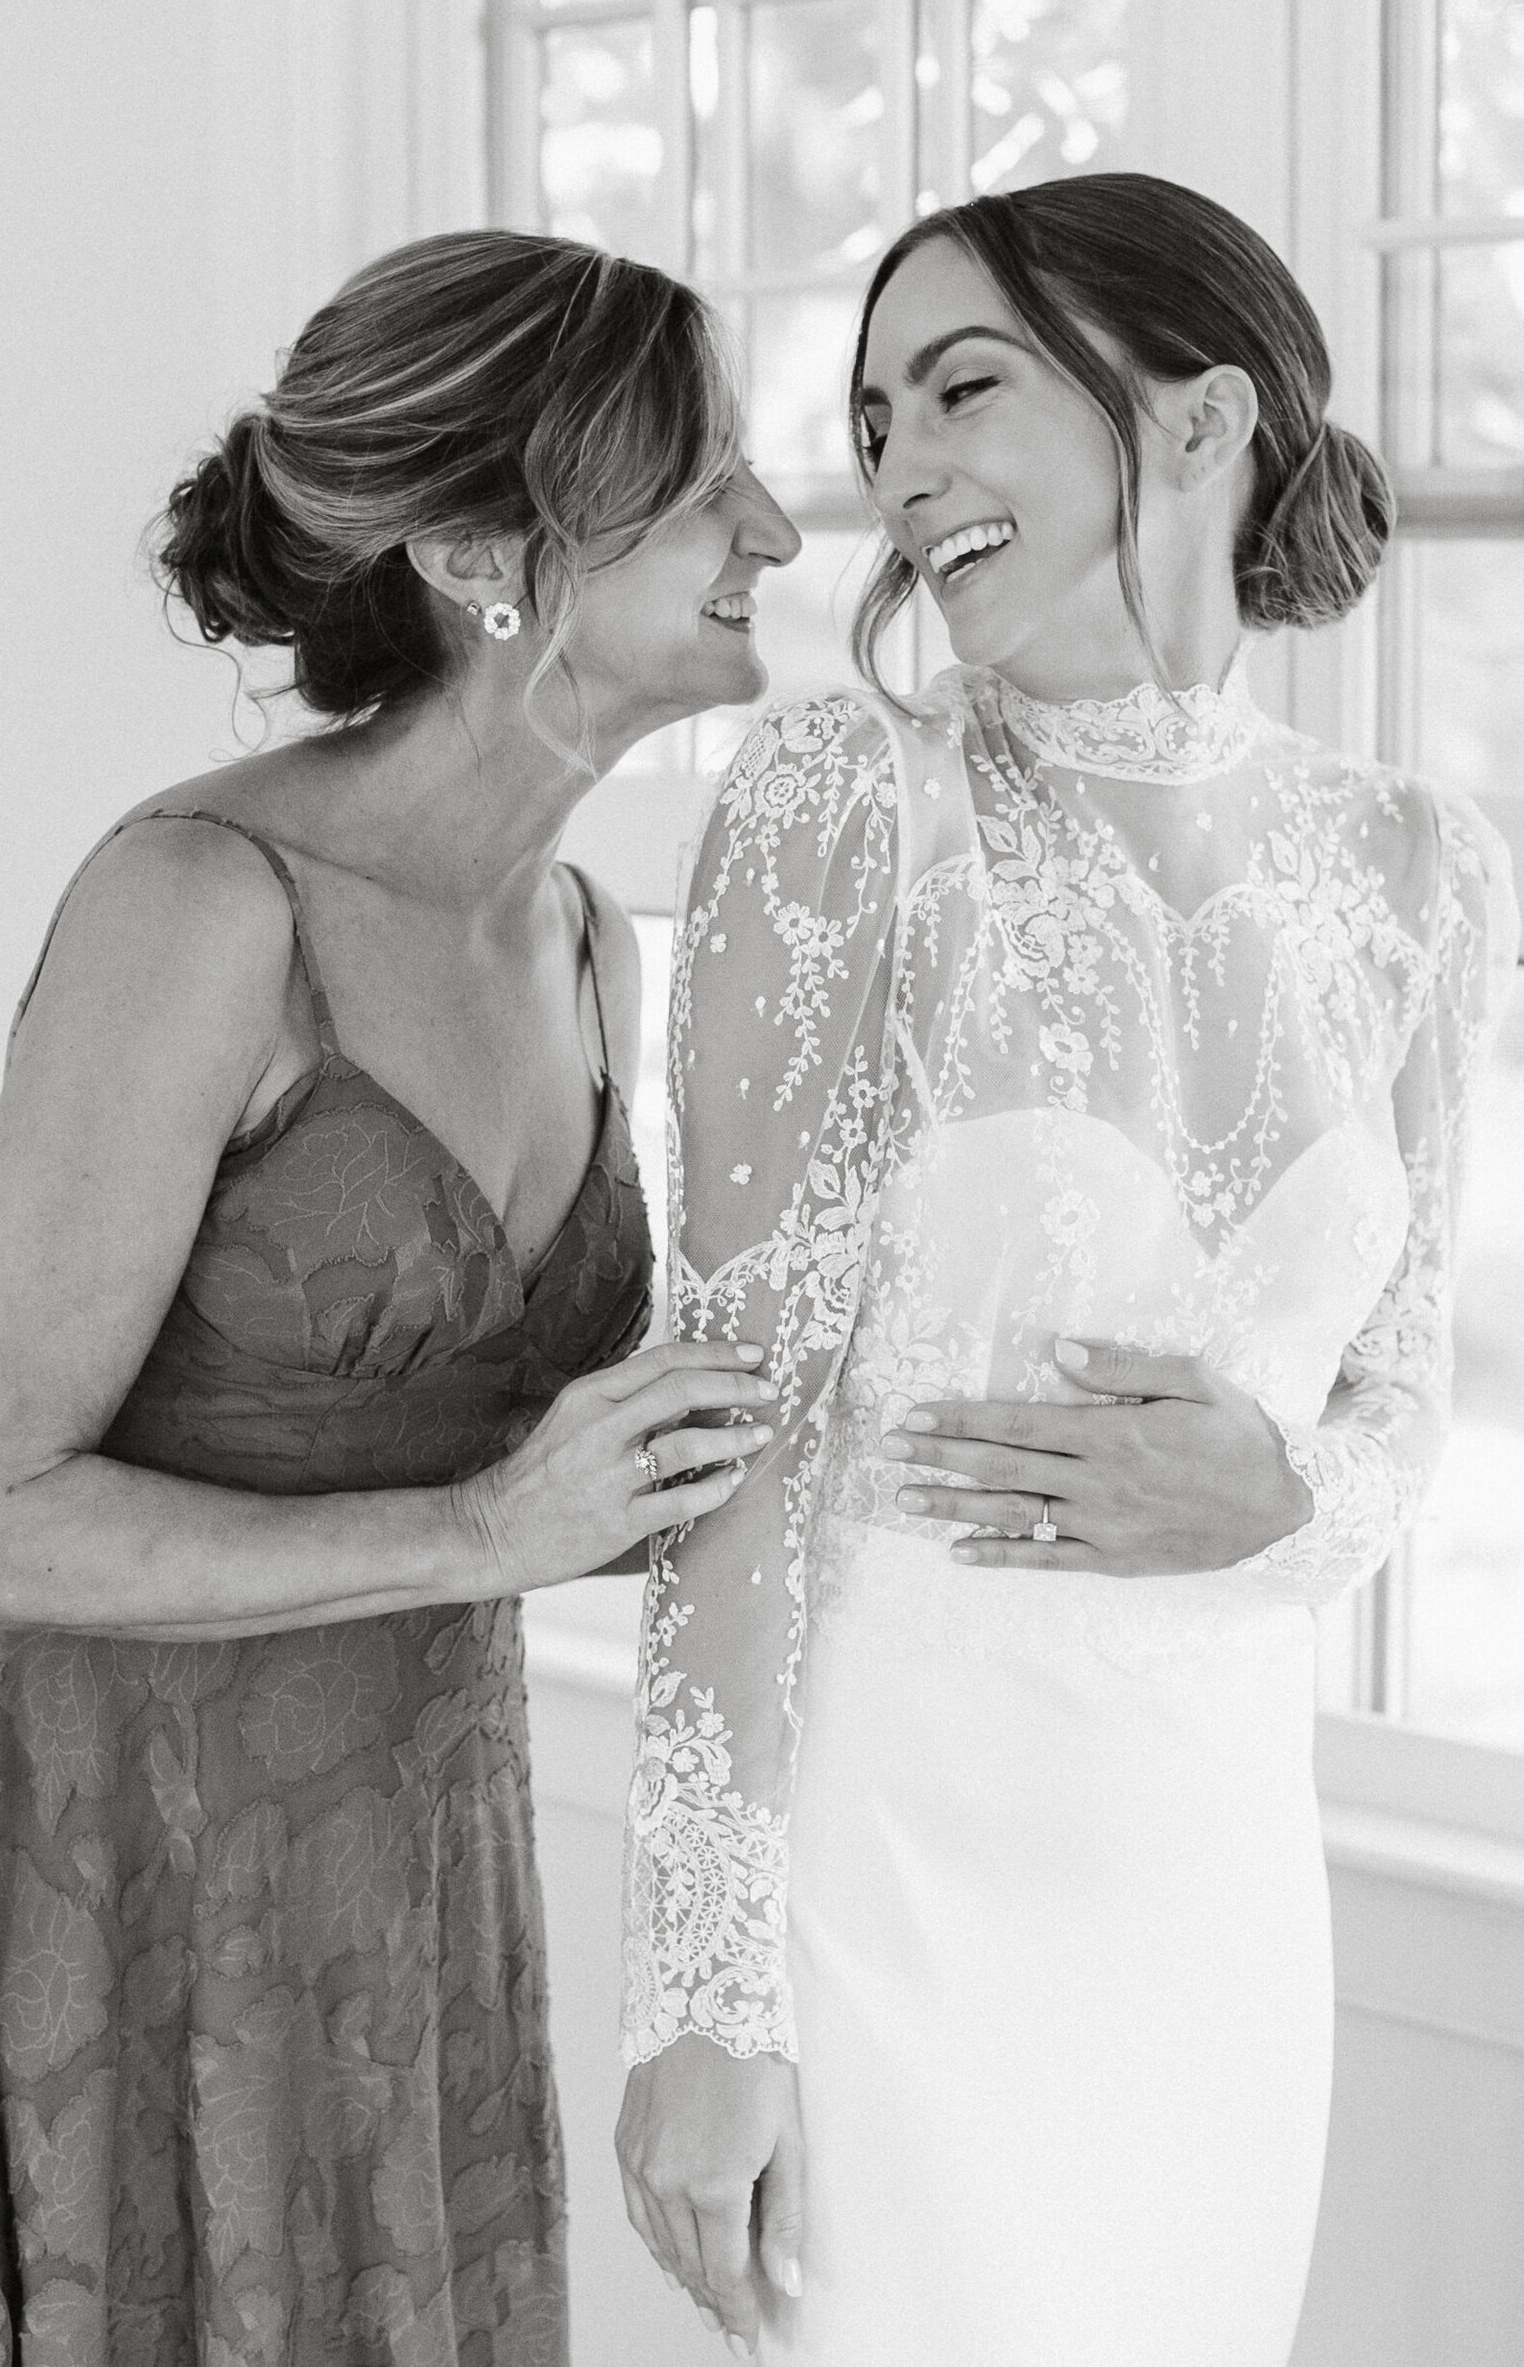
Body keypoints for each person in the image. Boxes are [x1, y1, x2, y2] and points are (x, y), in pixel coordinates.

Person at [616, 175, 1518, 2366]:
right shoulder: (847, 804)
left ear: (1196, 418)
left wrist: (1289, 1500)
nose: (896, 466)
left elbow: (1398, 1397)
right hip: (892, 1882)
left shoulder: (1411, 864)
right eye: (873, 412)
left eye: (962, 385)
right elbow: (718, 1428)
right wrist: (703, 1999)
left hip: (1208, 1896)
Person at [0, 229, 798, 2365]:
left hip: (416, 1881)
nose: (774, 525)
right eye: (703, 482)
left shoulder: (591, 937)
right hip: (119, 1874)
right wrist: (480, 1536)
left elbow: (603, 1466)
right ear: (490, 552)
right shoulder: (202, 909)